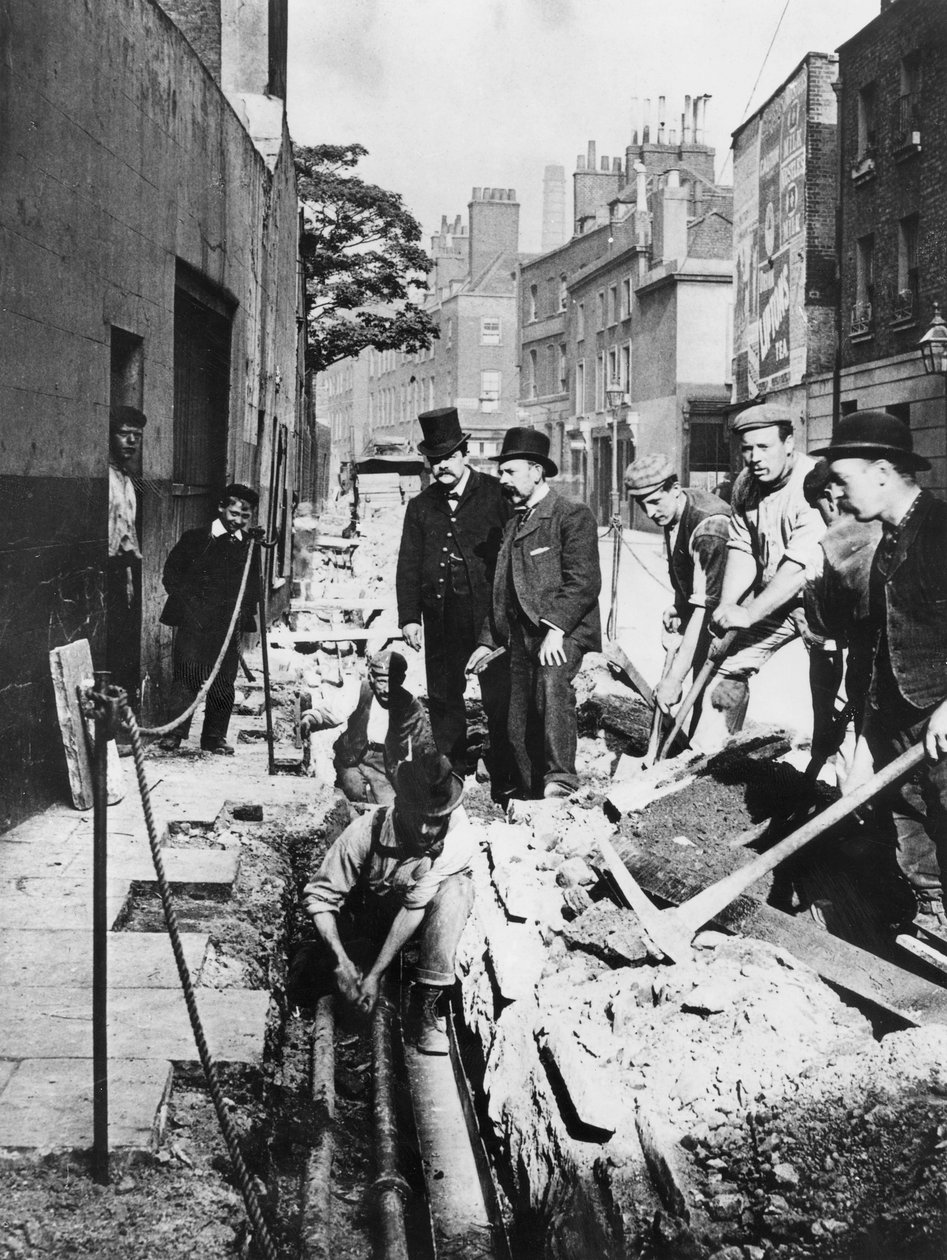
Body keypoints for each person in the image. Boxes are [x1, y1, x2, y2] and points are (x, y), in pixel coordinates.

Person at [816, 410, 947, 937]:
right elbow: (872, 637)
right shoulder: (882, 539)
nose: (840, 497)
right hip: (895, 714)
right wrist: (867, 724)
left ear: (882, 472)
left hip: (939, 713)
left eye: (844, 481)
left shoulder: (941, 529)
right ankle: (935, 919)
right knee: (907, 817)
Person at [300, 751, 475, 1054]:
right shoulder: (366, 831)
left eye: (434, 822)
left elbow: (413, 908)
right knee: (306, 972)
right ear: (400, 806)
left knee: (457, 890)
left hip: (419, 930)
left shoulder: (459, 838)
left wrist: (376, 975)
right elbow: (319, 896)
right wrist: (342, 962)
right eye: (417, 818)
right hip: (373, 923)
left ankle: (424, 1003)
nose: (424, 831)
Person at [467, 427, 601, 799]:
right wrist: (485, 640)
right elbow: (502, 593)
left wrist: (556, 628)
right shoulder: (514, 523)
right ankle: (527, 795)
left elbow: (584, 582)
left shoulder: (571, 515)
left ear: (537, 471)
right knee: (515, 719)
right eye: (501, 472)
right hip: (520, 636)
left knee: (551, 685)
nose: (502, 479)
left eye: (510, 472)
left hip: (564, 631)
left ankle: (561, 781)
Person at [396, 407, 512, 789]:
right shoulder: (421, 505)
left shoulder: (496, 494)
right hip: (440, 615)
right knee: (444, 693)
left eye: (448, 457)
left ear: (464, 455)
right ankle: (452, 764)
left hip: (487, 616)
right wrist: (410, 617)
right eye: (434, 461)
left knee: (497, 691)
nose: (441, 466)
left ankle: (503, 762)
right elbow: (408, 564)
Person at [708, 404, 827, 737]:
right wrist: (729, 605)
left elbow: (798, 568)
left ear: (788, 443)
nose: (754, 457)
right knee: (728, 669)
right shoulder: (747, 484)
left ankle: (844, 778)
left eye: (764, 447)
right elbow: (743, 547)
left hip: (826, 605)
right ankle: (713, 763)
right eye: (747, 449)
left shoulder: (815, 483)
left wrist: (748, 614)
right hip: (776, 600)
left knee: (836, 698)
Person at [623, 454, 730, 738]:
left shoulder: (709, 527)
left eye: (655, 501)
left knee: (714, 706)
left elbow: (705, 610)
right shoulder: (675, 510)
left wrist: (673, 679)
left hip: (740, 614)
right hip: (708, 610)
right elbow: (690, 575)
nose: (649, 511)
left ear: (674, 489)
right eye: (641, 503)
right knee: (696, 700)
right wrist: (679, 606)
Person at [158, 483, 260, 755]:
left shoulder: (248, 547)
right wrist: (188, 605)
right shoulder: (195, 538)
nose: (238, 521)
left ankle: (214, 737)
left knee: (224, 679)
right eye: (234, 513)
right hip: (194, 620)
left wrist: (244, 612)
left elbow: (252, 587)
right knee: (187, 675)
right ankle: (174, 733)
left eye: (245, 516)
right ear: (221, 508)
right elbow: (171, 574)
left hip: (226, 624)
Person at [802, 458, 880, 770]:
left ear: (831, 499)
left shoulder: (824, 554)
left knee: (857, 777)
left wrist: (823, 723)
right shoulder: (904, 528)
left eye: (817, 507)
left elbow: (825, 651)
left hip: (869, 684)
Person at [301, 650, 434, 805]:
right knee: (351, 793)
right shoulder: (360, 690)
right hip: (354, 757)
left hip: (385, 764)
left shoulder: (410, 707)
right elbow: (333, 712)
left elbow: (419, 750)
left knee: (388, 808)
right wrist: (311, 719)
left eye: (393, 682)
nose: (387, 690)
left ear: (402, 680)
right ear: (371, 677)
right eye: (382, 682)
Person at [107, 405, 146, 711]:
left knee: (123, 646)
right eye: (124, 434)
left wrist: (130, 577)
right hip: (106, 569)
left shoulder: (127, 481)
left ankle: (120, 719)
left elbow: (128, 535)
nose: (131, 441)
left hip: (123, 570)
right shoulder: (106, 478)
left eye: (137, 436)